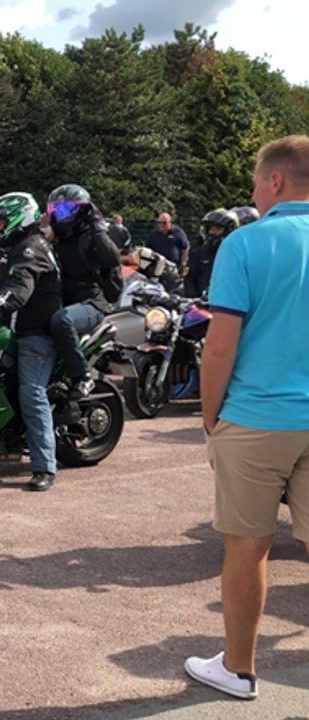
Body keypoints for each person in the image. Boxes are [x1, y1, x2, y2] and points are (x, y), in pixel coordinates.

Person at [185, 134, 309, 701]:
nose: (254, 192)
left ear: (276, 181)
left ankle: (238, 669)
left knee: (248, 545)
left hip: (257, 417)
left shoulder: (245, 243)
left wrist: (211, 419)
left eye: (258, 181)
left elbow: (219, 348)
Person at [0, 192, 64, 491]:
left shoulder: (31, 249)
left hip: (36, 333)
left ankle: (44, 466)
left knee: (31, 391)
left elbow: (17, 288)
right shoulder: (16, 248)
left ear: (16, 219)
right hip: (16, 330)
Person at [46, 184, 121, 397]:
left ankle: (82, 376)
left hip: (92, 302)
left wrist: (97, 226)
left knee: (62, 321)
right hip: (64, 299)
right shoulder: (54, 238)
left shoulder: (92, 235)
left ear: (82, 210)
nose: (61, 215)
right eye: (56, 210)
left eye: (67, 209)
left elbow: (112, 258)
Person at [183, 209, 239, 299]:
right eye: (211, 228)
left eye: (218, 229)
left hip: (227, 305)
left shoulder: (238, 255)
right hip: (200, 304)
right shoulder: (200, 251)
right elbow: (189, 279)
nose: (212, 232)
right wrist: (195, 299)